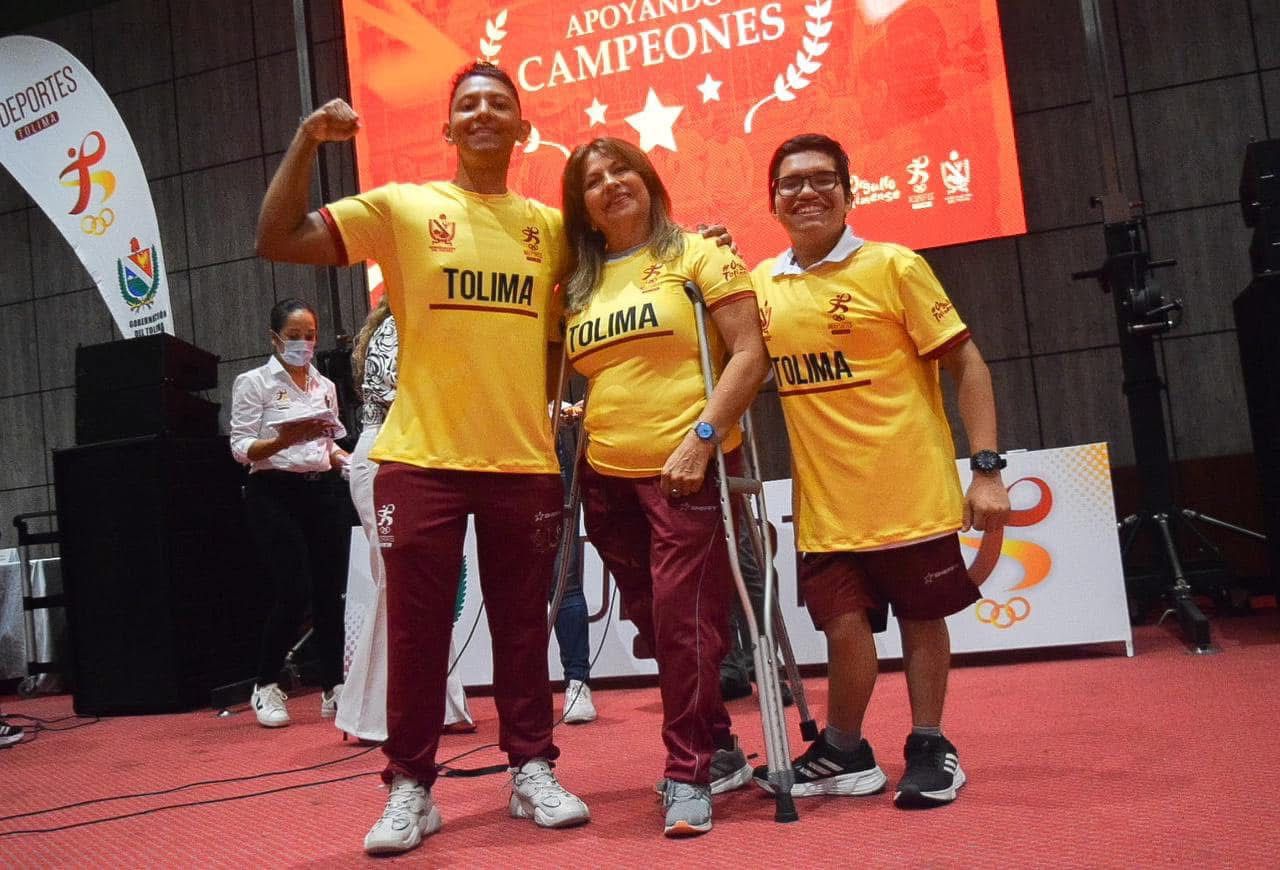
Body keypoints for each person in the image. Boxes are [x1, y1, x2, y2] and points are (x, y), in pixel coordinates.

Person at [256, 62, 590, 856]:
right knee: (415, 635)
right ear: (448, 127)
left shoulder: (551, 229)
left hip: (521, 462)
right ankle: (410, 786)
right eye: (467, 103)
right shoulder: (404, 208)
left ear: (521, 127)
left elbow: (574, 324)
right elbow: (276, 236)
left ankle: (532, 769)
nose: (483, 112)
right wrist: (306, 138)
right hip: (419, 459)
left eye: (498, 103)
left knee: (522, 629)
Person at [749, 133, 1010, 808]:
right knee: (843, 631)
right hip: (825, 507)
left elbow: (968, 365)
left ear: (848, 192)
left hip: (909, 492)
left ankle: (930, 744)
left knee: (923, 621)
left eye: (822, 179)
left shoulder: (895, 266)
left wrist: (986, 469)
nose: (807, 192)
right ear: (773, 201)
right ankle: (845, 750)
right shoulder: (761, 284)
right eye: (791, 183)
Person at [560, 137, 770, 836]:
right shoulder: (579, 285)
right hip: (605, 476)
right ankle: (720, 746)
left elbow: (750, 355)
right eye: (593, 180)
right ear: (582, 207)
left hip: (687, 468)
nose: (611, 183)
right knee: (654, 624)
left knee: (685, 622)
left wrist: (702, 439)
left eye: (622, 169)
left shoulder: (699, 255)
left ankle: (687, 770)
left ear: (649, 179)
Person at [338, 297, 474, 743]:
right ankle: (371, 712)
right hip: (386, 452)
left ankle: (437, 702)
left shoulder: (417, 327)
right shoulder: (393, 330)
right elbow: (408, 395)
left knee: (421, 584)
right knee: (397, 583)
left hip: (415, 452)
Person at [229, 298, 351, 729]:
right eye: (294, 336)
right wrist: (285, 439)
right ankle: (265, 684)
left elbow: (327, 445)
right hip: (273, 491)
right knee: (294, 589)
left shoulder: (324, 385)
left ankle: (334, 687)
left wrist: (351, 462)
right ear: (275, 338)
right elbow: (241, 447)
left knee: (330, 591)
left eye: (310, 335)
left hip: (322, 491)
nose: (303, 344)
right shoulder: (254, 383)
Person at [552, 377, 596, 725]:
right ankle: (522, 693)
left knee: (564, 579)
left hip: (548, 451)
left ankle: (577, 682)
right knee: (511, 588)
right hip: (495, 456)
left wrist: (557, 409)